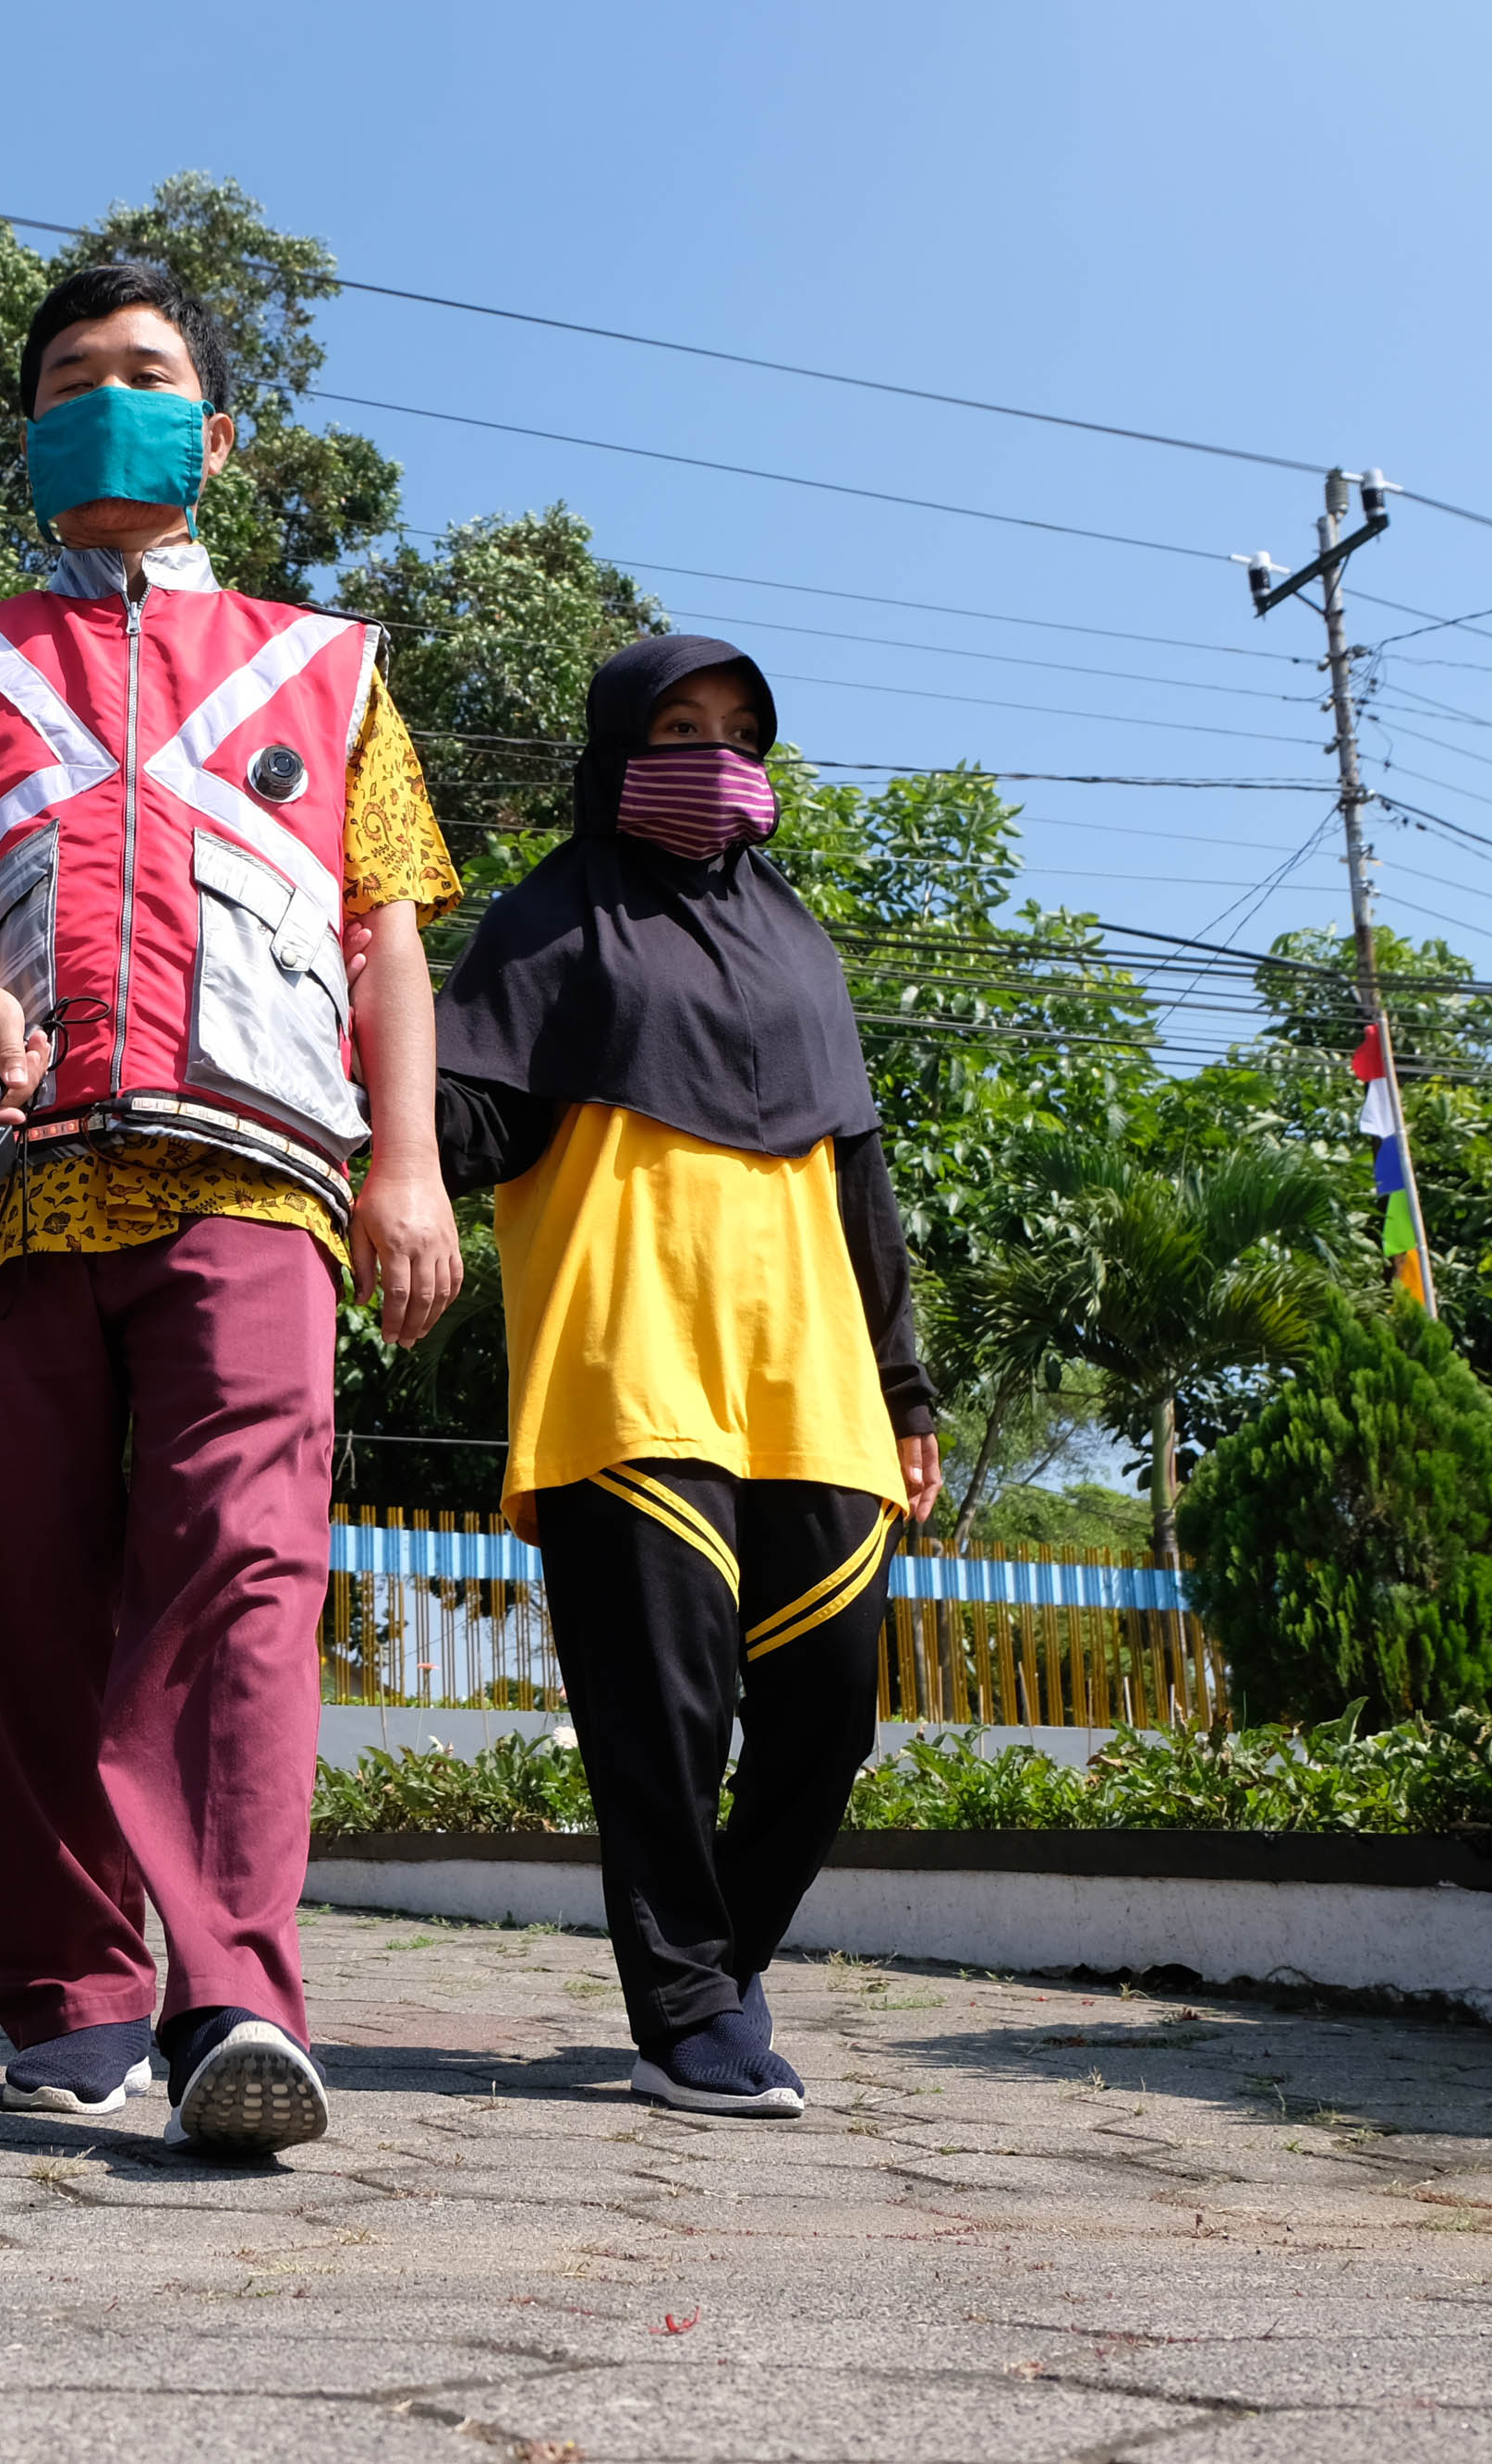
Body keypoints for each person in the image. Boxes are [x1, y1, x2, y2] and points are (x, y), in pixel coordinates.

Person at [0, 262, 462, 2157]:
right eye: (71, 377)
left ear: (214, 432)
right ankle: (70, 1984)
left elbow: (384, 930)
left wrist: (404, 1165)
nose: (108, 397)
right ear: (28, 434)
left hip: (248, 1176)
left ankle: (233, 1983)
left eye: (145, 374)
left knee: (243, 1572)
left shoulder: (327, 668)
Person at [431, 636, 941, 2117]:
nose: (714, 755)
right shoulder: (546, 918)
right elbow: (474, 1122)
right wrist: (368, 1064)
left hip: (813, 1370)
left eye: (739, 730)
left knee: (830, 1708)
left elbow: (860, 1179)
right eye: (677, 725)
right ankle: (689, 2013)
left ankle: (713, 1956)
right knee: (663, 1710)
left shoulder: (801, 941)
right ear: (611, 747)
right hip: (629, 1345)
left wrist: (904, 1391)